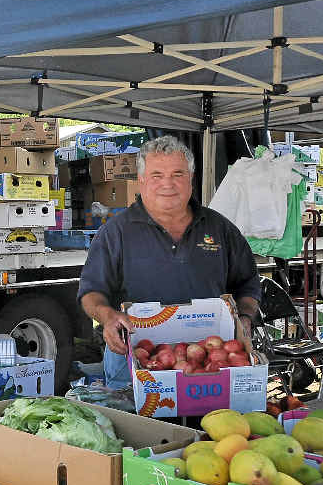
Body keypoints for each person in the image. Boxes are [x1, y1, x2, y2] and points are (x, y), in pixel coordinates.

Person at [78, 135, 262, 389]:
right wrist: (108, 317)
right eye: (157, 175)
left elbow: (248, 284)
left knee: (212, 427)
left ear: (191, 180)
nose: (168, 184)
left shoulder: (220, 229)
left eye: (178, 174)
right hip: (134, 359)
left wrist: (244, 318)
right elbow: (91, 292)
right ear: (141, 181)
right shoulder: (116, 232)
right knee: (138, 428)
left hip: (210, 363)